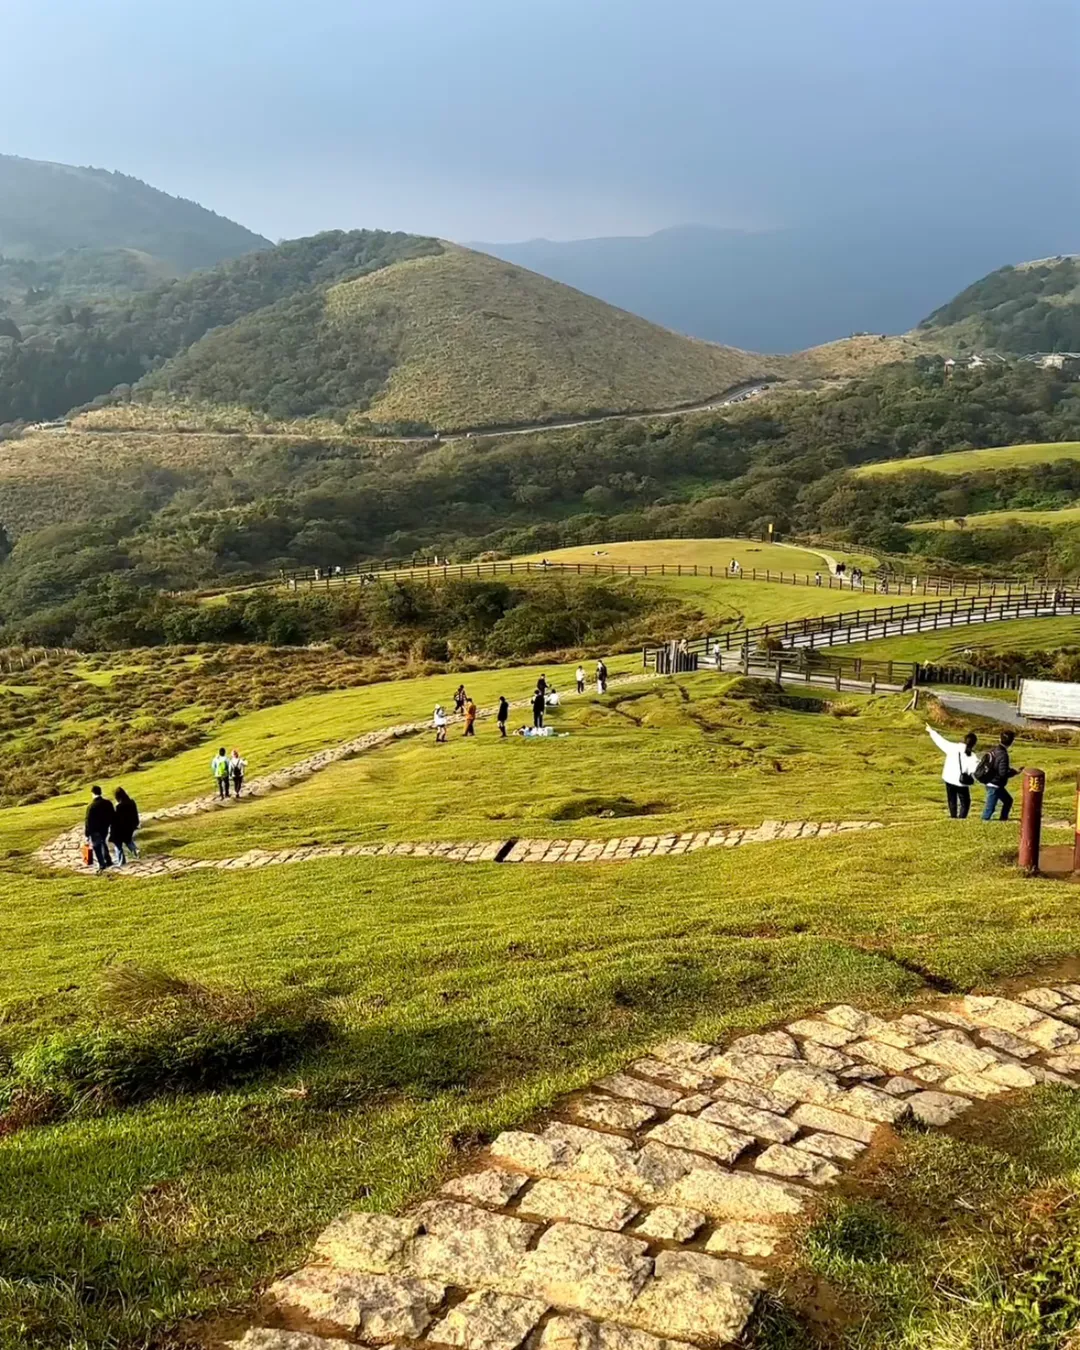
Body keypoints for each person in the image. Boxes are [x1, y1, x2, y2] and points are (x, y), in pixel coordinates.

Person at [925, 724, 979, 819]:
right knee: (965, 802)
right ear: (974, 744)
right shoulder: (972, 756)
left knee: (952, 799)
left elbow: (940, 741)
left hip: (948, 778)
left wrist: (931, 731)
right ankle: (962, 818)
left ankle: (953, 816)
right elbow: (975, 770)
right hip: (961, 782)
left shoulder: (952, 747)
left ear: (964, 740)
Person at [981, 730, 1020, 821]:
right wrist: (1014, 772)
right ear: (1011, 742)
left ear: (1000, 739)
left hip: (990, 781)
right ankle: (984, 822)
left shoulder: (994, 750)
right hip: (995, 784)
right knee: (990, 809)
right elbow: (1003, 773)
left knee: (1008, 800)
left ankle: (1003, 819)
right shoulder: (1003, 755)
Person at [84, 785, 115, 872]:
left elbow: (88, 821)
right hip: (104, 827)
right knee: (103, 842)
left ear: (93, 793)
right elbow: (112, 815)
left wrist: (87, 833)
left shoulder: (91, 806)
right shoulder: (108, 803)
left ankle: (102, 864)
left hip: (95, 830)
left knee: (97, 846)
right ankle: (108, 860)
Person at [111, 786, 140, 864]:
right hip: (130, 827)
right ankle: (136, 851)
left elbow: (116, 819)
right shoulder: (132, 802)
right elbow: (135, 813)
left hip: (120, 829)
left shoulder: (118, 807)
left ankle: (121, 861)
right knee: (128, 840)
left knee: (118, 845)